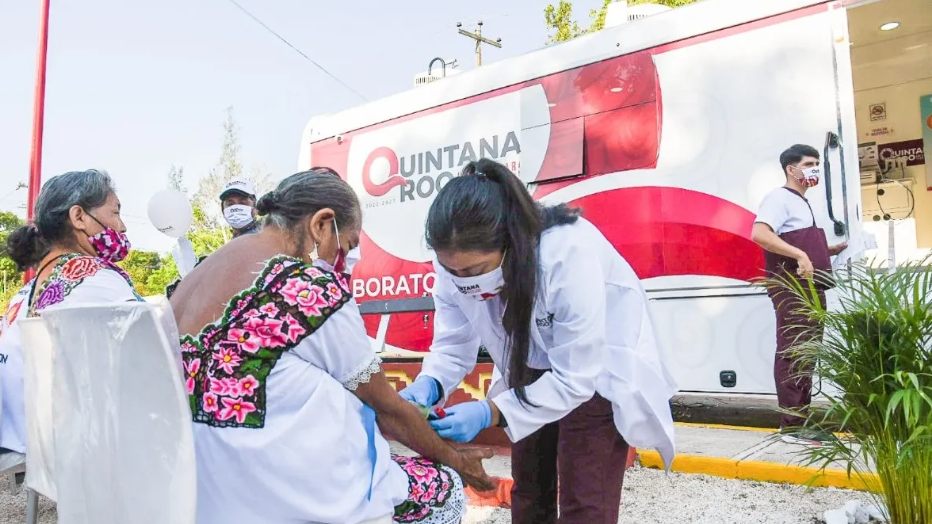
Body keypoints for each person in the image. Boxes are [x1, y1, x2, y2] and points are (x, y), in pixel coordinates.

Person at [169, 169, 493, 524]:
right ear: (322, 224)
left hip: (209, 493)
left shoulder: (192, 280)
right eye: (348, 245)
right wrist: (461, 464)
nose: (346, 259)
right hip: (290, 490)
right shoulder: (306, 286)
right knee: (440, 488)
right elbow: (387, 409)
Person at [398, 158, 678, 524]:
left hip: (596, 372)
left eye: (474, 271)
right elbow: (453, 345)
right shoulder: (452, 265)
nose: (463, 281)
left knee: (585, 500)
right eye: (453, 271)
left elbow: (575, 378)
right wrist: (430, 385)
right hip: (526, 366)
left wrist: (491, 411)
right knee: (528, 488)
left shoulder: (565, 253)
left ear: (511, 241)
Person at [0, 169, 142, 459]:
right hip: (71, 445)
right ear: (79, 217)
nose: (123, 226)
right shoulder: (94, 275)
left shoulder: (24, 292)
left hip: (23, 433)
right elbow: (156, 350)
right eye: (115, 213)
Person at [751, 144, 847, 446]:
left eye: (817, 163)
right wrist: (801, 255)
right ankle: (792, 426)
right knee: (794, 351)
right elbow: (760, 233)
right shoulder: (779, 198)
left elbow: (796, 238)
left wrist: (825, 250)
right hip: (793, 288)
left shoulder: (803, 203)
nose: (814, 168)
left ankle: (801, 421)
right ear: (791, 170)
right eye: (809, 163)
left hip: (811, 288)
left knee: (807, 353)